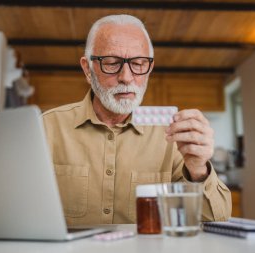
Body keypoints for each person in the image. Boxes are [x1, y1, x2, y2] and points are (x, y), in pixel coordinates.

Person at [42, 14, 231, 225]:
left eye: (138, 63)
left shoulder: (174, 135)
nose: (126, 77)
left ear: (149, 68)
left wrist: (198, 170)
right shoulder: (45, 129)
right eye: (112, 63)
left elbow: (216, 220)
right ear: (88, 69)